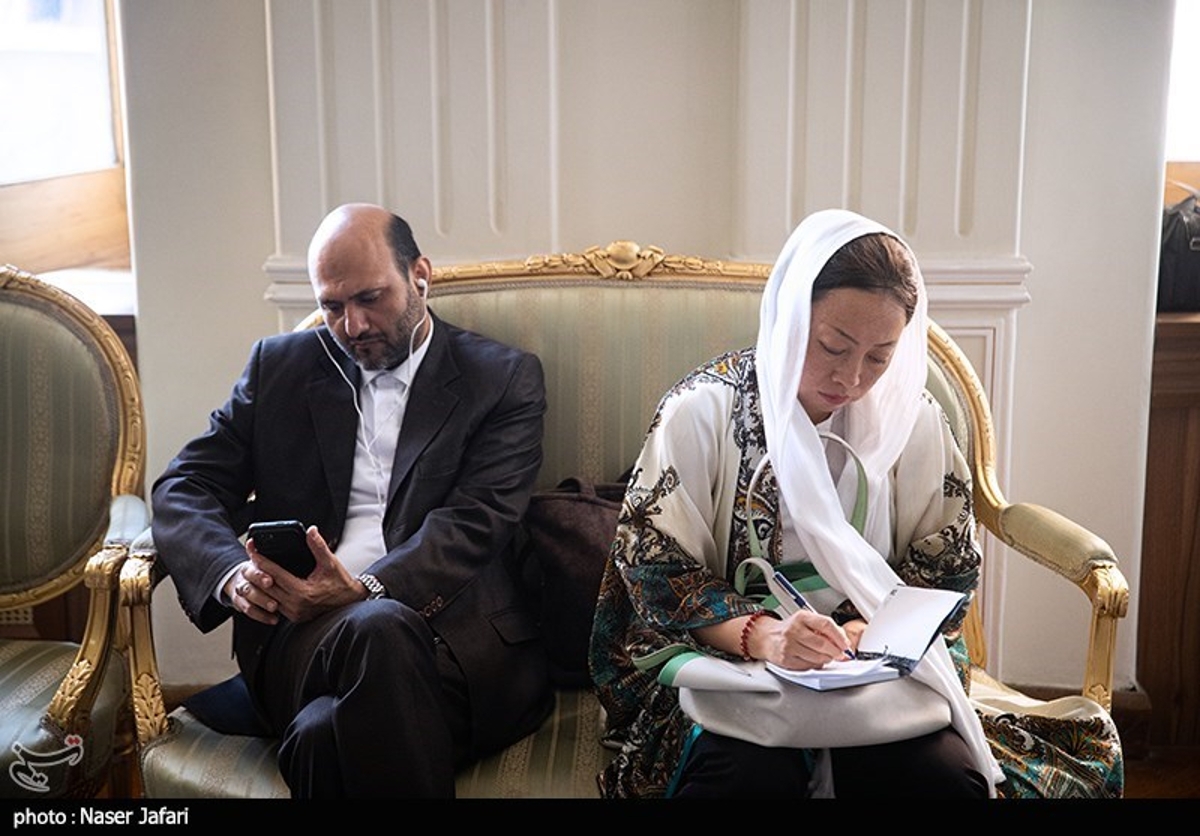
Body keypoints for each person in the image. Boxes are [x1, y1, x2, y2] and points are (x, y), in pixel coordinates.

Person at [589, 209, 1006, 798]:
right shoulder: (703, 411)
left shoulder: (912, 421)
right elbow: (656, 572)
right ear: (789, 314)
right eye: (833, 346)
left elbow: (948, 566)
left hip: (877, 669)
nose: (851, 379)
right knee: (745, 780)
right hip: (728, 660)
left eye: (879, 357)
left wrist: (865, 632)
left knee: (943, 781)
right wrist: (768, 638)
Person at [151, 203, 552, 797]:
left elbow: (478, 519)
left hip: (457, 649)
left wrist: (368, 589)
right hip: (301, 640)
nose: (353, 325)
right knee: (378, 632)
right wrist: (232, 575)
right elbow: (183, 485)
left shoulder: (501, 378)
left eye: (370, 298)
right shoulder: (279, 370)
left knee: (322, 732)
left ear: (420, 275)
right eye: (333, 306)